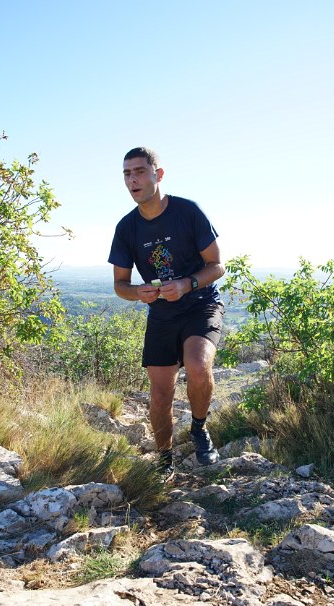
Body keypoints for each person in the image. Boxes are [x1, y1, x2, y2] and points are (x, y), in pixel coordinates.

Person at [108, 147, 225, 480]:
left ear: (158, 175)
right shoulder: (126, 228)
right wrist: (138, 292)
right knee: (160, 394)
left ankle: (199, 429)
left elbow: (217, 265)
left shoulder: (187, 212)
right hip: (161, 314)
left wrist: (188, 283)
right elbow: (120, 285)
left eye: (140, 171)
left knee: (198, 366)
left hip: (200, 304)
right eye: (127, 174)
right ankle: (164, 459)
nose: (133, 180)